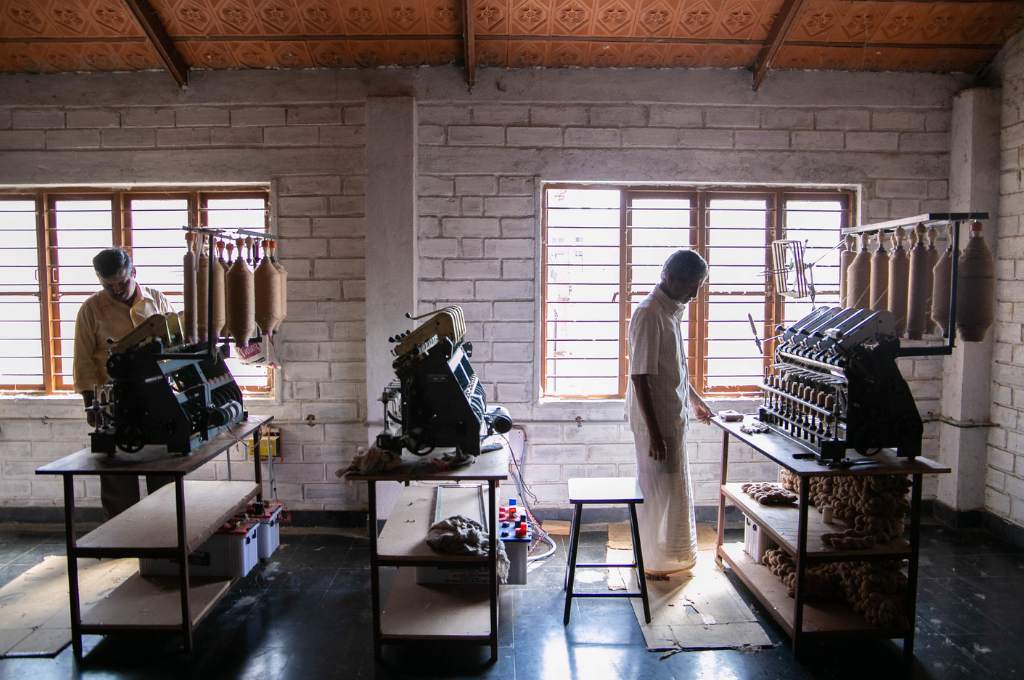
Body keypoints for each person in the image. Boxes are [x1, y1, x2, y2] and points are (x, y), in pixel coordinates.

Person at [626, 249, 714, 578]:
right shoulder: (650, 313)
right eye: (691, 285)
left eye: (699, 286)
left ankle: (665, 556)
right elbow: (641, 376)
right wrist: (655, 433)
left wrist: (695, 399)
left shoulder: (670, 312)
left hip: (670, 415)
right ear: (669, 277)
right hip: (656, 422)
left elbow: (674, 368)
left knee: (671, 488)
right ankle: (650, 561)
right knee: (656, 493)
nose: (694, 294)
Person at [74, 248, 175, 518]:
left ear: (134, 272)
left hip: (159, 396)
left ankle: (164, 532)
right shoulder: (91, 310)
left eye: (122, 282)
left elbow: (176, 345)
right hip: (112, 402)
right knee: (117, 477)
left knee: (164, 473)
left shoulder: (158, 300)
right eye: (109, 285)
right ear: (99, 279)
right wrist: (90, 405)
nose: (117, 289)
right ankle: (120, 540)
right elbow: (83, 359)